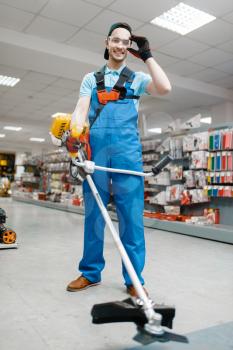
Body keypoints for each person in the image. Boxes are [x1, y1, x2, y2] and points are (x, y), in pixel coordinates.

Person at [64, 23, 171, 297]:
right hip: (96, 156)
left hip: (127, 156)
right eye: (116, 40)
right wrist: (74, 134)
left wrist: (147, 56)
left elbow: (165, 88)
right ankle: (90, 272)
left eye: (126, 42)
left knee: (131, 219)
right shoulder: (91, 78)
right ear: (107, 41)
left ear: (130, 46)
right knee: (94, 215)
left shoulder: (136, 79)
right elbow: (80, 109)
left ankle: (134, 279)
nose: (121, 46)